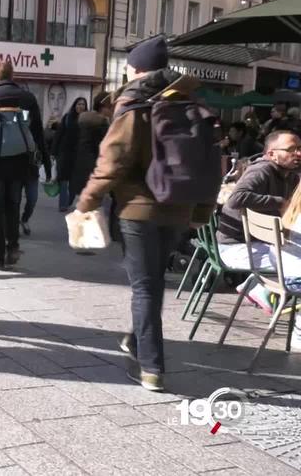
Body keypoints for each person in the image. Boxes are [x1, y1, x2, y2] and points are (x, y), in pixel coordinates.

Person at [76, 35, 212, 392]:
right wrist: (202, 210)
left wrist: (87, 200)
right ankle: (136, 341)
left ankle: (152, 367)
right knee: (152, 284)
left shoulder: (134, 105)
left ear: (134, 69)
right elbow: (211, 163)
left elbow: (113, 161)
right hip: (180, 208)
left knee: (145, 288)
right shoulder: (190, 103)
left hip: (138, 208)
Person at [0, 60, 51, 269]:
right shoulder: (28, 98)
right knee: (13, 205)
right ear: (12, 75)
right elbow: (37, 133)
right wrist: (45, 163)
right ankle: (13, 247)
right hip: (20, 163)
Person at [217, 130, 301, 249]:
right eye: (291, 149)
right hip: (237, 245)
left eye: (300, 148)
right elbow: (235, 199)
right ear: (272, 154)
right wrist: (280, 203)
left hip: (263, 242)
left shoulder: (290, 175)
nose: (299, 153)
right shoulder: (261, 169)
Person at [68, 92, 111, 201]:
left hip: (81, 165)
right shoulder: (101, 123)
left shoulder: (84, 120)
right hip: (94, 166)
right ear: (103, 107)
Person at [53, 97, 87, 212]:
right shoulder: (67, 118)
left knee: (73, 182)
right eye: (78, 104)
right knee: (63, 180)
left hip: (78, 155)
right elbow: (59, 135)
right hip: (64, 153)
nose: (80, 106)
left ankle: (68, 201)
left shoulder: (86, 120)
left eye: (83, 105)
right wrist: (54, 152)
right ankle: (63, 204)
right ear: (74, 105)